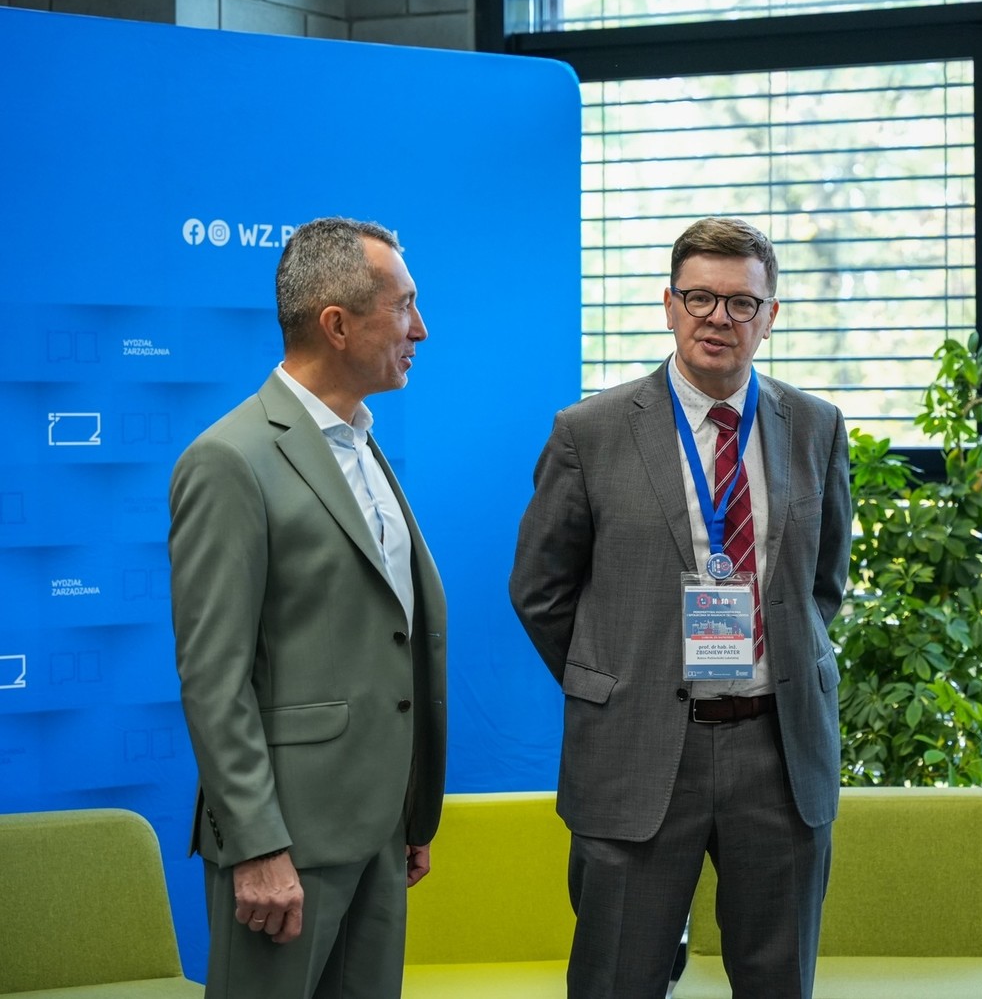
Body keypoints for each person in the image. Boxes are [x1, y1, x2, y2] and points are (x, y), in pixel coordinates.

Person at [509, 216, 852, 999]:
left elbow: (821, 585)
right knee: (618, 979)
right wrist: (616, 679)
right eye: (700, 297)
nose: (718, 318)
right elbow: (540, 589)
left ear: (770, 316)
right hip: (637, 748)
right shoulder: (590, 432)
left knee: (778, 981)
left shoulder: (816, 427)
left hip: (778, 748)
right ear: (668, 305)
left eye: (741, 303)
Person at [170, 217, 446, 998]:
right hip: (284, 846)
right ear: (336, 324)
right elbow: (213, 677)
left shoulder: (362, 443)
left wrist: (408, 812)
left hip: (379, 831)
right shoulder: (228, 459)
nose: (421, 329)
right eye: (404, 306)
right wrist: (256, 845)